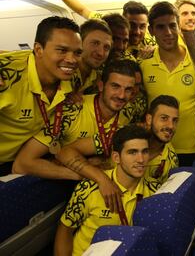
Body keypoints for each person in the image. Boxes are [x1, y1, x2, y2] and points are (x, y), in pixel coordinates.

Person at [13, 59, 146, 181]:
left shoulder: (128, 111)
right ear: (101, 86)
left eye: (128, 89)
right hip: (58, 181)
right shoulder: (71, 111)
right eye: (115, 86)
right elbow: (22, 164)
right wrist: (84, 173)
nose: (121, 95)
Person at [0, 16, 82, 176]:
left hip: (19, 159)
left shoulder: (74, 78)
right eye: (62, 50)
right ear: (38, 50)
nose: (72, 60)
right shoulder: (7, 76)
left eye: (77, 52)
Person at [54, 124, 152, 256]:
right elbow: (65, 231)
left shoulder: (155, 191)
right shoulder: (90, 188)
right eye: (132, 152)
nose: (140, 159)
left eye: (144, 151)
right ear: (116, 157)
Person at [140, 1, 195, 167]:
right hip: (155, 152)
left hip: (190, 151)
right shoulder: (144, 65)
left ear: (179, 27)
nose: (168, 32)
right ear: (151, 31)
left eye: (172, 25)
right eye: (160, 27)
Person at [59, 0, 156, 60]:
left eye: (142, 26)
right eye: (132, 25)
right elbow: (82, 10)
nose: (137, 32)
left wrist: (155, 50)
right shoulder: (107, 24)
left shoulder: (151, 41)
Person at [142, 95, 180, 193]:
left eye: (174, 120)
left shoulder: (171, 160)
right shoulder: (127, 138)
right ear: (149, 119)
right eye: (164, 118)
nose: (171, 126)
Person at [70, 19, 112, 95]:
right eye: (95, 43)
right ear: (79, 42)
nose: (101, 53)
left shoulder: (97, 77)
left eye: (106, 47)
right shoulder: (65, 72)